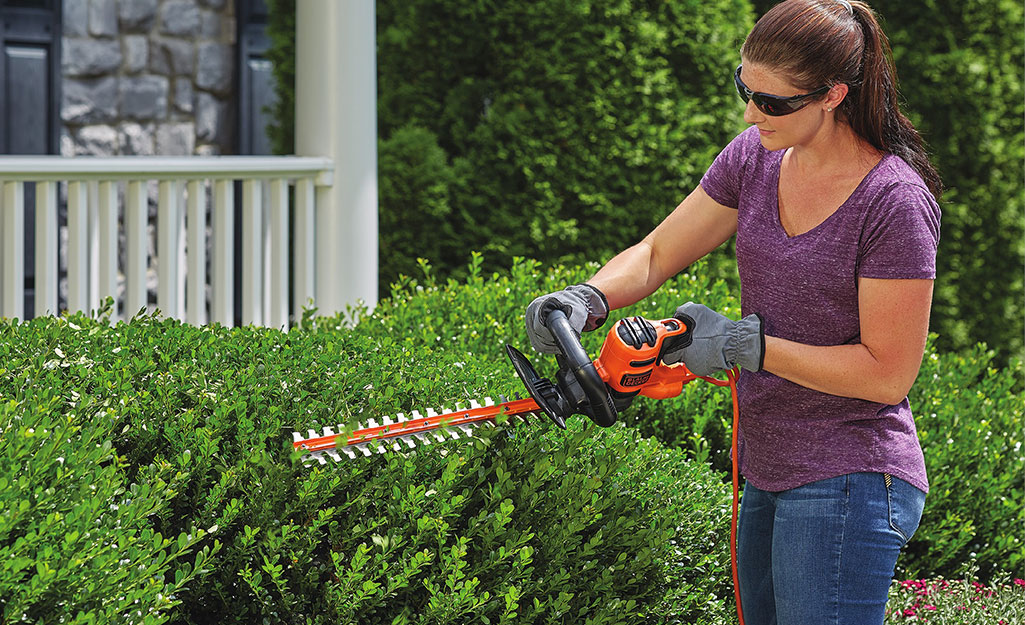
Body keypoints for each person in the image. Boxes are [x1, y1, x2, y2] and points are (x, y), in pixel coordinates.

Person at [523, 1, 942, 623]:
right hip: (766, 467)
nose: (751, 113)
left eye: (772, 102)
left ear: (833, 95)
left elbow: (886, 373)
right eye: (745, 89)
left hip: (850, 474)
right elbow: (659, 250)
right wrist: (589, 298)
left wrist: (750, 347)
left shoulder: (893, 202)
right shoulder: (755, 156)